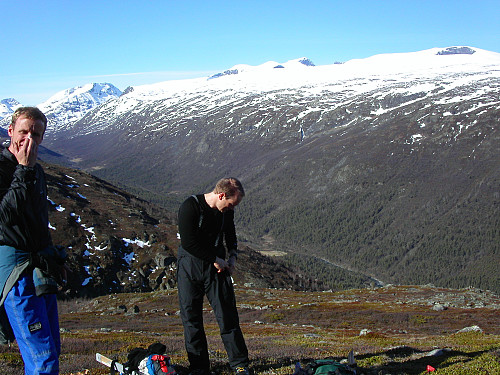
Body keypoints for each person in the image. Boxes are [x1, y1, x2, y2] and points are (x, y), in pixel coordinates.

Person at [0, 107, 63, 374]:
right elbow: (4, 216)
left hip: (40, 269)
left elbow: (37, 220)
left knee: (51, 350)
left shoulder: (35, 170)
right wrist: (23, 171)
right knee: (43, 359)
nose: (29, 139)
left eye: (36, 134)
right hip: (18, 273)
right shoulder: (6, 168)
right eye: (23, 131)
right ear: (10, 131)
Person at [177, 178, 250, 375]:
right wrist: (214, 258)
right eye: (230, 204)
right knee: (191, 319)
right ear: (221, 196)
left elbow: (230, 234)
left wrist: (233, 256)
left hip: (217, 268)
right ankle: (199, 368)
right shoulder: (190, 207)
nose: (230, 209)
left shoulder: (227, 213)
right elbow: (188, 242)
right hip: (190, 266)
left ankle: (240, 364)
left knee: (227, 315)